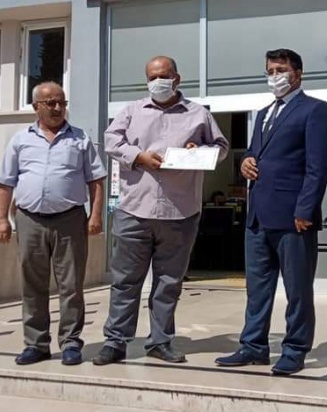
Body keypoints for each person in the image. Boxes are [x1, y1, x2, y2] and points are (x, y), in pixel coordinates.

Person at [93, 56, 229, 365]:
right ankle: (116, 341)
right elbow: (111, 141)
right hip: (134, 210)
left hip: (180, 212)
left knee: (168, 283)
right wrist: (138, 156)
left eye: (163, 76)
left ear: (177, 78)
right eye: (152, 77)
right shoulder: (132, 111)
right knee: (125, 281)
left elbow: (221, 148)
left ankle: (160, 341)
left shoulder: (198, 114)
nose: (158, 82)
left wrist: (201, 150)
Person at [216, 48, 327, 376]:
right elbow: (255, 152)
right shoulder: (264, 113)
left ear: (298, 73)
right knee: (257, 289)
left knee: (298, 290)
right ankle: (253, 346)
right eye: (270, 71)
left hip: (294, 217)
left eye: (280, 70)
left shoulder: (315, 110)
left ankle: (295, 349)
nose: (274, 76)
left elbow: (317, 167)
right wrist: (245, 161)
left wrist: (306, 209)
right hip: (258, 217)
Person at [0, 82, 107, 366]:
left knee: (71, 285)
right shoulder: (20, 140)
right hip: (29, 219)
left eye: (62, 102)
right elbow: (5, 182)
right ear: (36, 107)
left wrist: (95, 216)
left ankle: (70, 343)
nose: (58, 108)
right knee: (32, 284)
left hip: (70, 219)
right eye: (51, 103)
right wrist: (1, 219)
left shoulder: (80, 138)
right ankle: (36, 344)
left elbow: (96, 180)